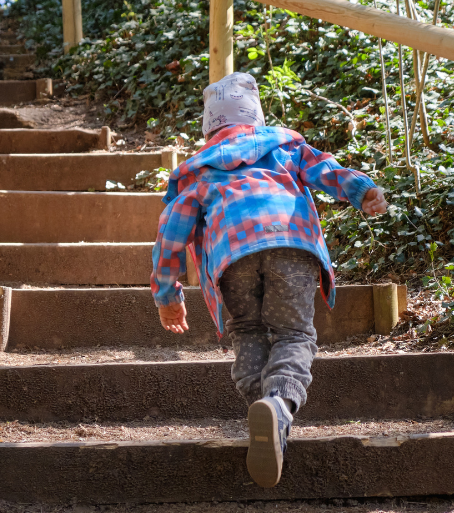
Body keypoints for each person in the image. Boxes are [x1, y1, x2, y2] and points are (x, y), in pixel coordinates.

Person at [150, 72, 389, 488]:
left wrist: (167, 293)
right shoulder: (284, 146)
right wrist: (363, 191)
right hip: (291, 245)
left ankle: (265, 407)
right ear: (256, 118)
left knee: (248, 331)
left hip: (234, 256)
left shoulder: (197, 172)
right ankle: (279, 404)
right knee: (294, 335)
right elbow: (326, 170)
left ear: (209, 127)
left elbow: (172, 233)